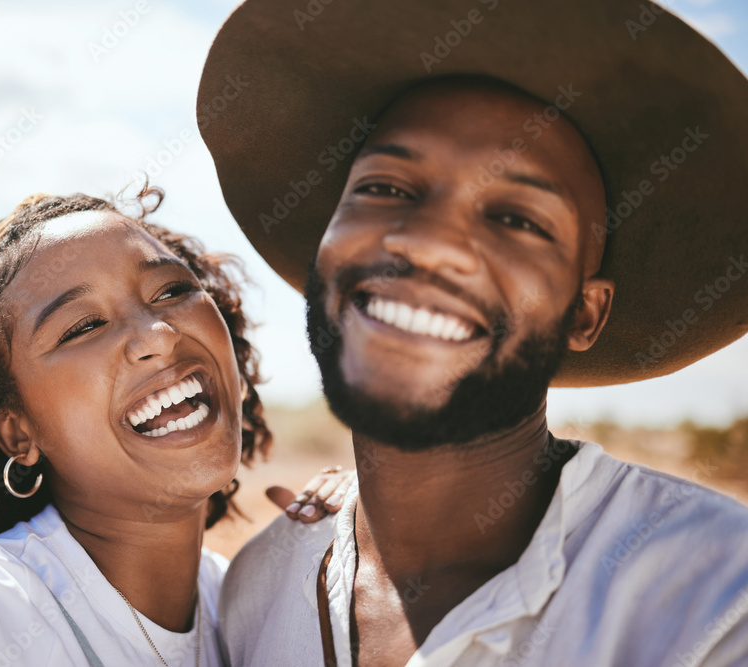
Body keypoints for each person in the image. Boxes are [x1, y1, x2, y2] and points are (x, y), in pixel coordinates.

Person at [198, 0, 748, 665]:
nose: (429, 244)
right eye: (386, 187)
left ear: (584, 313)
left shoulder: (716, 599)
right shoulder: (259, 586)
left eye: (518, 220)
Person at [0, 186, 354, 667]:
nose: (158, 334)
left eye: (173, 291)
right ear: (17, 434)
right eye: (82, 326)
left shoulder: (245, 603)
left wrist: (354, 562)